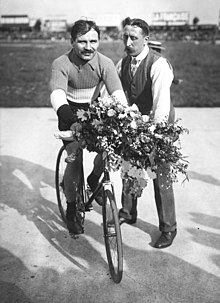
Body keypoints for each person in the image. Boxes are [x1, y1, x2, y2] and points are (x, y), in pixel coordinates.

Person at [49, 19, 127, 235]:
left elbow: (117, 94)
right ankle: (72, 205)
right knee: (74, 160)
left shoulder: (105, 63)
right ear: (72, 41)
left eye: (93, 41)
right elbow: (57, 95)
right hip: (69, 113)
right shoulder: (61, 63)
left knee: (109, 152)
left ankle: (94, 179)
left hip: (96, 113)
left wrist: (126, 117)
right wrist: (71, 120)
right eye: (82, 42)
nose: (89, 47)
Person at [117, 17, 177, 249]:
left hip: (158, 124)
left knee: (160, 172)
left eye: (134, 38)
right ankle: (128, 211)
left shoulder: (158, 64)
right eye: (126, 37)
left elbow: (161, 103)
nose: (129, 41)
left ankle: (168, 228)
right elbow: (113, 91)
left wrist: (156, 134)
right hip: (134, 122)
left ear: (146, 40)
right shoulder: (122, 63)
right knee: (129, 166)